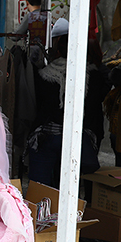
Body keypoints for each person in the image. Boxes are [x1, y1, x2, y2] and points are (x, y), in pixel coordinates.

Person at [27, 18, 101, 190]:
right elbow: (94, 107)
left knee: (40, 187)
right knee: (71, 187)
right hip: (79, 136)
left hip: (48, 135)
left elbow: (42, 106)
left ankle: (41, 207)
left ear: (59, 49)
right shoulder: (92, 75)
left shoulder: (44, 75)